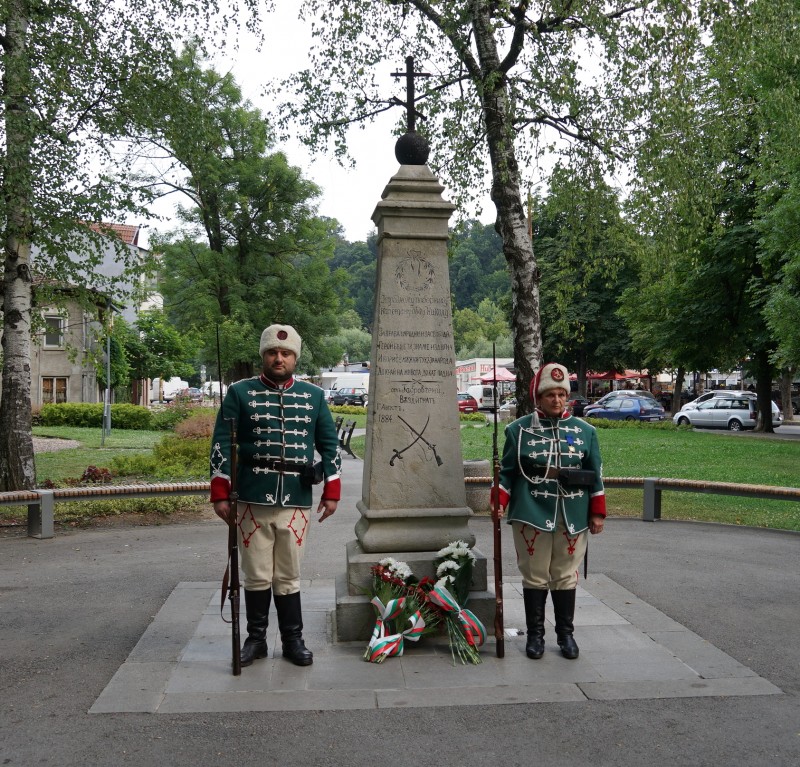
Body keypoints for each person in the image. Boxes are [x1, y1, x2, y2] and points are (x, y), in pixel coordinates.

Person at [210, 324, 342, 667]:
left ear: (295, 357)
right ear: (263, 356)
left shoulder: (314, 396)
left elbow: (329, 445)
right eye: (272, 352)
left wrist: (332, 490)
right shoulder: (239, 393)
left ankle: (292, 641)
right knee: (256, 574)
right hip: (251, 497)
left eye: (285, 353)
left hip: (296, 499)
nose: (278, 358)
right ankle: (256, 640)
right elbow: (222, 443)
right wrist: (220, 492)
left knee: (288, 574)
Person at [491, 362, 606, 660]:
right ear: (538, 398)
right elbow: (506, 473)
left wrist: (597, 512)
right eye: (550, 395)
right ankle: (536, 636)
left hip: (573, 513)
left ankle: (566, 635)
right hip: (531, 510)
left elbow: (595, 472)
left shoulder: (586, 431)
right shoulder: (517, 430)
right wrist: (498, 501)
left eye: (561, 394)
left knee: (565, 575)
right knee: (535, 574)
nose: (557, 400)